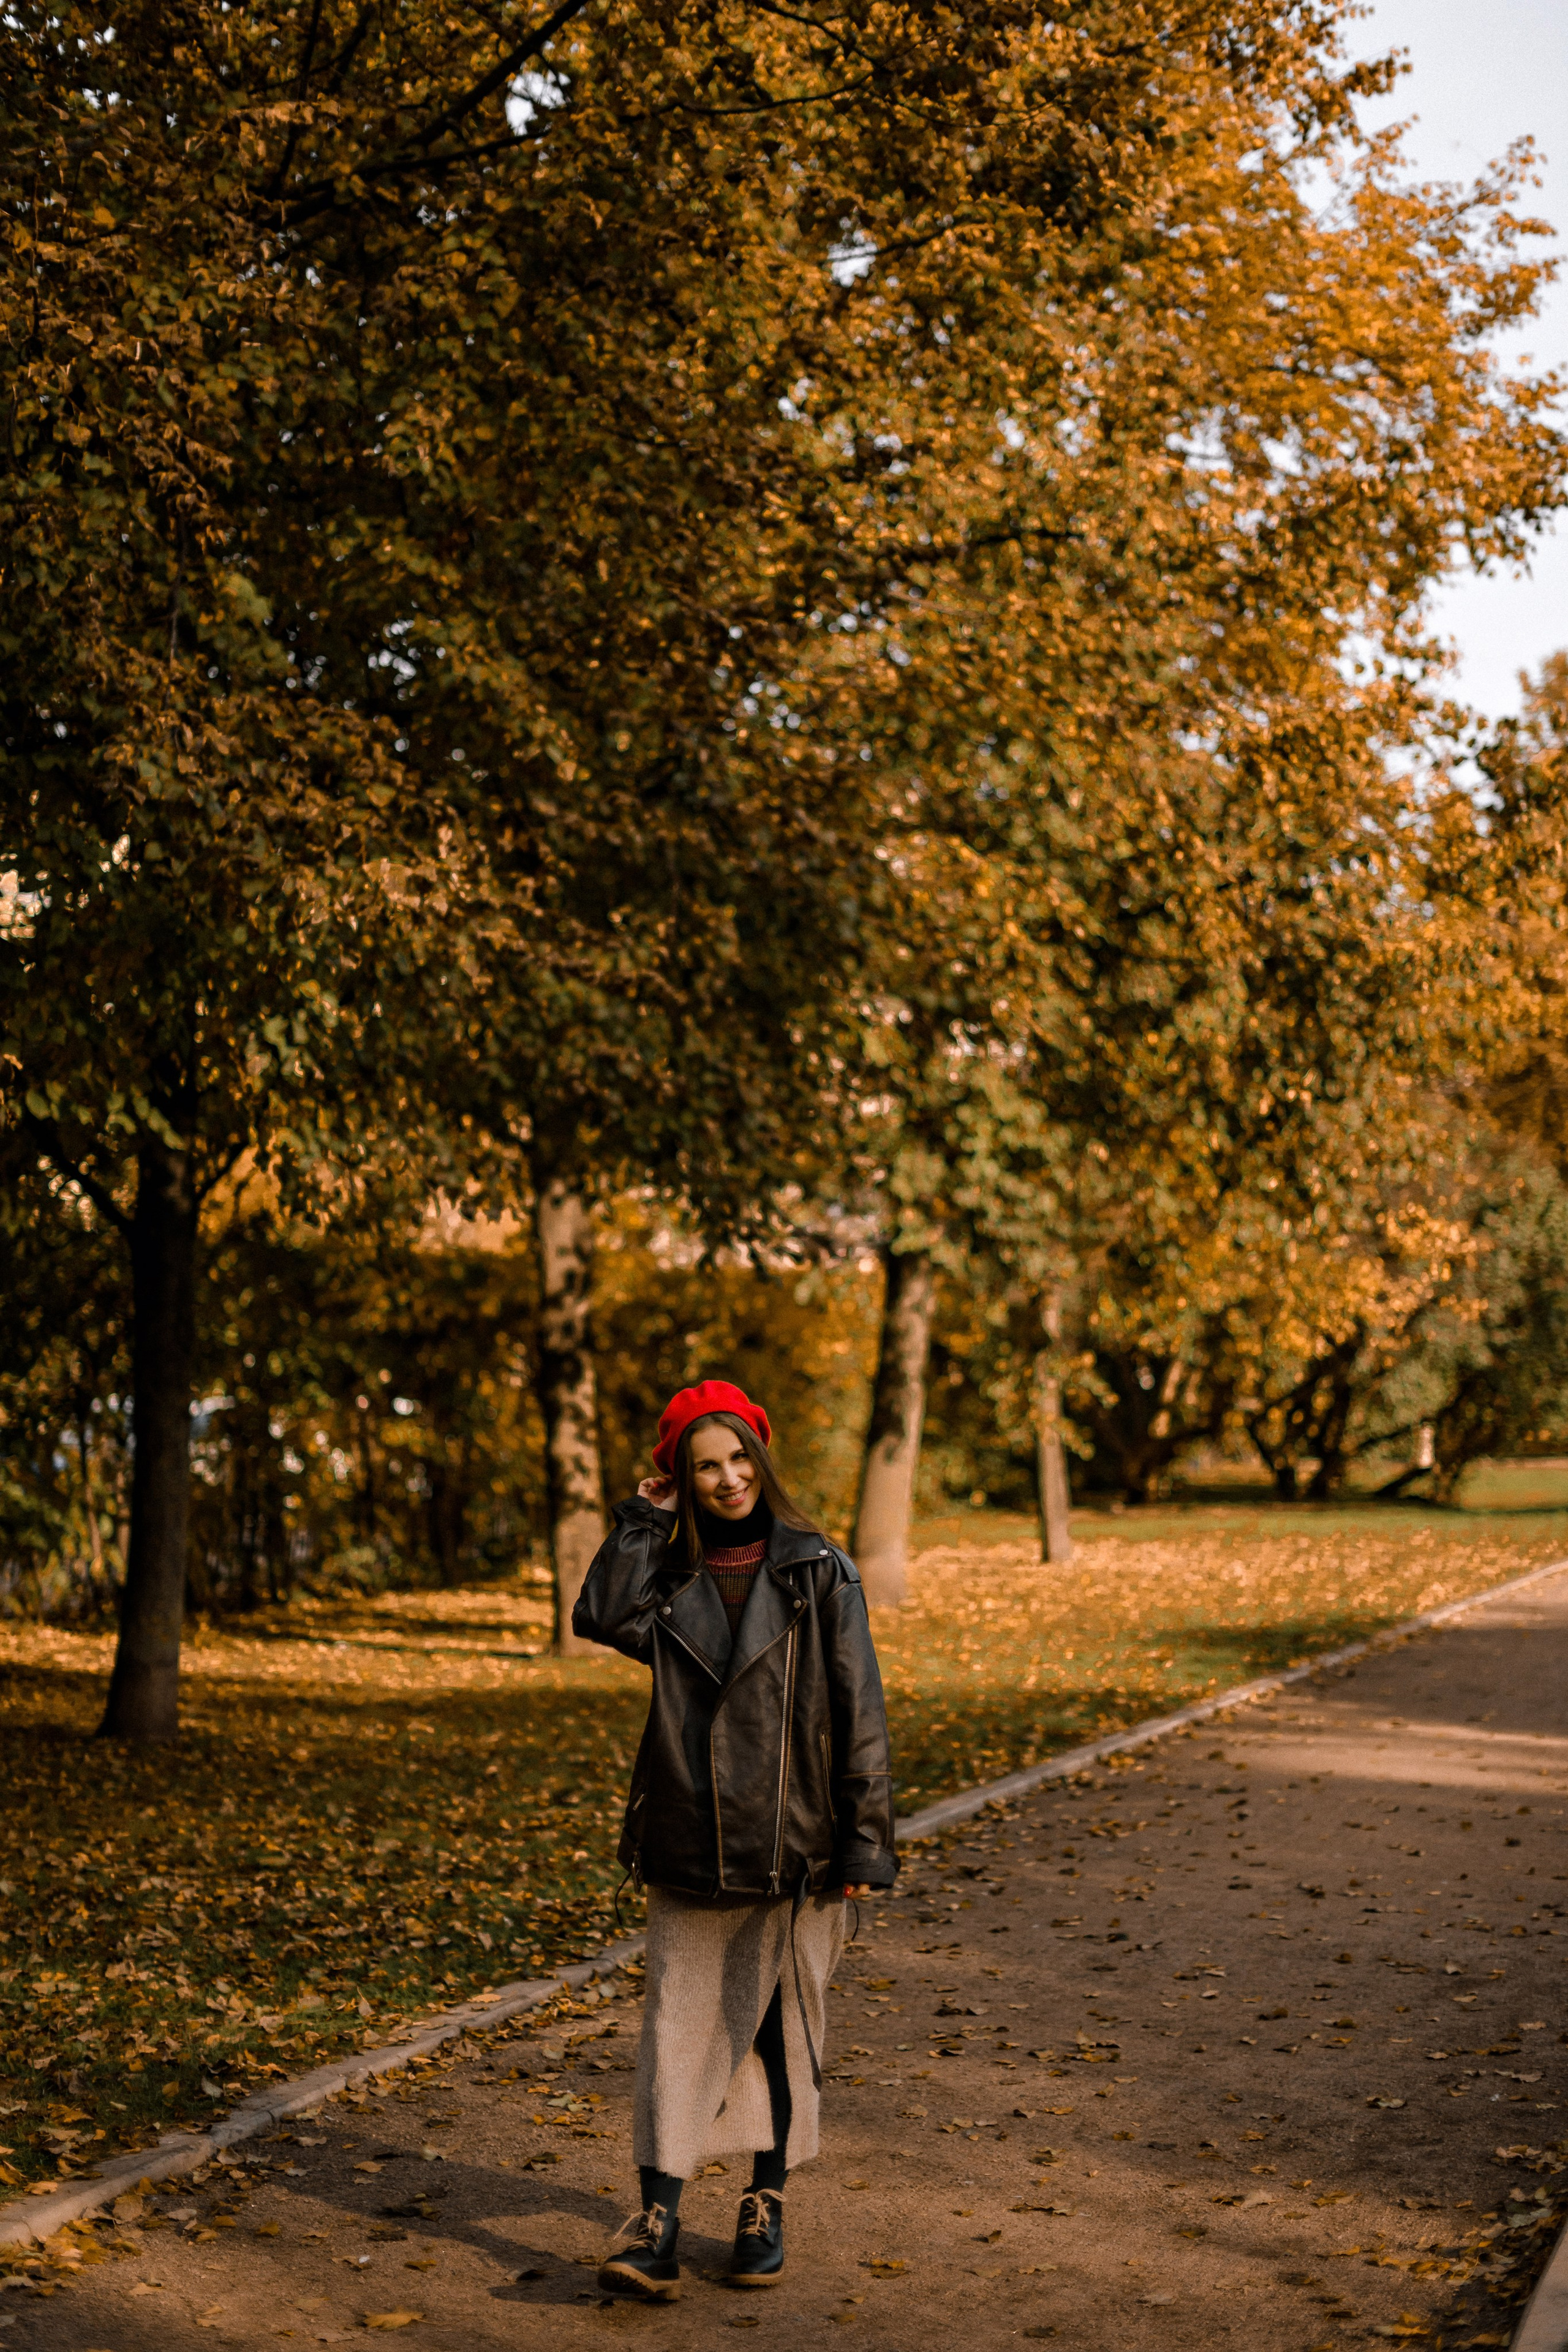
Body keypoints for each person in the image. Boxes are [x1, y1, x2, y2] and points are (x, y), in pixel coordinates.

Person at [571, 1378, 897, 2300]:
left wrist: (866, 1842)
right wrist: (642, 1515)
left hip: (800, 1847)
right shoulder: (667, 1581)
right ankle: (658, 2218)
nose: (726, 1478)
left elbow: (859, 1710)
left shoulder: (818, 1570)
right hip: (689, 1838)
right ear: (681, 1474)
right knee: (677, 2027)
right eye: (702, 1464)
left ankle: (764, 2203)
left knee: (777, 2034)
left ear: (764, 1455)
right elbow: (597, 1612)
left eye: (738, 1457)